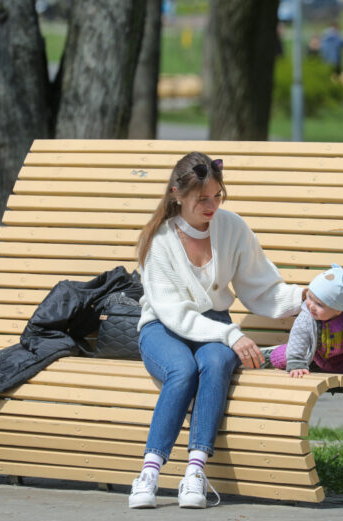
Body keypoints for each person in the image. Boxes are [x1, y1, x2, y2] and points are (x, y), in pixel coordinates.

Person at [128, 152, 304, 509]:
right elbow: (175, 313)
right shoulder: (159, 240)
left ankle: (195, 472)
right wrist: (231, 335)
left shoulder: (232, 228)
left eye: (217, 196)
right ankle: (149, 472)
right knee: (182, 370)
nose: (212, 206)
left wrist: (307, 297)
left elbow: (260, 287)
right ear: (177, 194)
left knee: (217, 363)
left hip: (215, 325)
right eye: (202, 199)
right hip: (163, 327)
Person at [260, 264, 343, 382]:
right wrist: (296, 363)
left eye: (319, 304)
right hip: (312, 352)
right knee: (286, 357)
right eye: (310, 297)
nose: (311, 306)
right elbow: (298, 337)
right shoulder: (307, 315)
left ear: (338, 310)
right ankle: (266, 357)